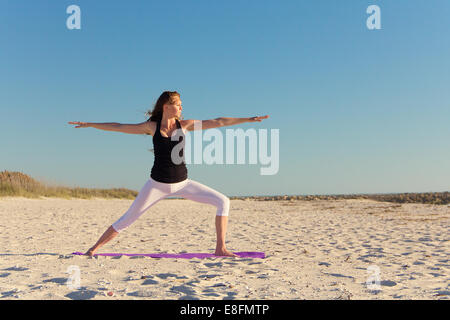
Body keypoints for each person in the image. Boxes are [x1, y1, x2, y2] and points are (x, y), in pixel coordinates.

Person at [68, 91, 269, 257]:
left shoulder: (186, 125)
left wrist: (247, 119)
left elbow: (218, 122)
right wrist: (91, 124)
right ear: (166, 106)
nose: (182, 107)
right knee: (127, 219)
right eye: (178, 104)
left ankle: (220, 248)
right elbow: (119, 127)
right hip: (156, 185)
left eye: (181, 104)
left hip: (183, 183)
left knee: (223, 201)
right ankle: (93, 250)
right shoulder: (151, 127)